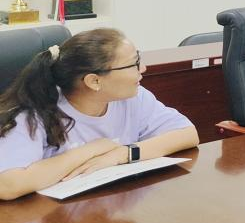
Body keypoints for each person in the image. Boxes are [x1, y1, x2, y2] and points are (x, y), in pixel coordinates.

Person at [0, 28, 199, 201]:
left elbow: (188, 134)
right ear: (94, 81)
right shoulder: (33, 114)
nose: (143, 68)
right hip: (48, 220)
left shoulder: (133, 97)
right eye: (134, 64)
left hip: (105, 208)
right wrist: (94, 149)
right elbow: (8, 185)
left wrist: (122, 154)